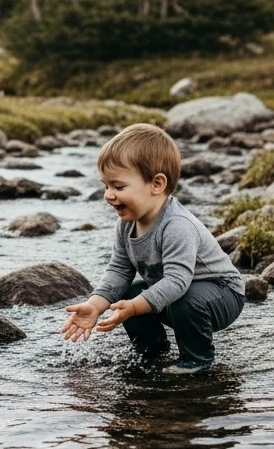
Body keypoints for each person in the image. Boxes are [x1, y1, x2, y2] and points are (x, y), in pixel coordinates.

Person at [61, 124, 245, 375]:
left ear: (156, 184)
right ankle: (152, 352)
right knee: (126, 296)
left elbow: (178, 281)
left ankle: (197, 360)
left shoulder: (177, 225)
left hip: (222, 294)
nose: (108, 195)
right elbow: (118, 270)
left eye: (118, 186)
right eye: (106, 186)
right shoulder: (126, 225)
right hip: (180, 293)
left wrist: (137, 306)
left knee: (182, 301)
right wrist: (96, 305)